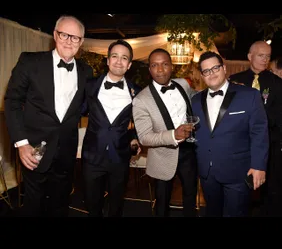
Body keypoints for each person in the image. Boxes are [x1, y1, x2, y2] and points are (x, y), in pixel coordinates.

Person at [4, 15, 93, 217]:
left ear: (81, 41)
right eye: (64, 35)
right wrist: (21, 143)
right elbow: (12, 102)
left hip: (66, 152)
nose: (69, 41)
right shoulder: (30, 61)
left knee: (60, 204)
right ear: (55, 35)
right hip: (35, 148)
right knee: (33, 205)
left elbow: (91, 106)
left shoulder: (86, 71)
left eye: (75, 38)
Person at [191, 51, 269, 217]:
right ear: (202, 75)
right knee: (212, 212)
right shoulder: (195, 100)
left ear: (224, 68)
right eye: (206, 71)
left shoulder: (249, 96)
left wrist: (259, 166)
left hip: (238, 171)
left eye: (215, 68)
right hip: (207, 172)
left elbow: (259, 132)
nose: (211, 73)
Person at [132, 48, 198, 217]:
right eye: (154, 65)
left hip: (189, 152)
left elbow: (197, 97)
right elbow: (144, 137)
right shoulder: (141, 99)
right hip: (162, 155)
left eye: (164, 64)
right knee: (162, 203)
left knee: (191, 196)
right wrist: (173, 135)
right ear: (149, 69)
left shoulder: (183, 84)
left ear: (172, 66)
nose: (160, 69)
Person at [81, 39, 142, 217]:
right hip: (92, 156)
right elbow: (77, 111)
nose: (118, 61)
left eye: (124, 58)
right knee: (92, 204)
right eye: (114, 56)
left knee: (116, 205)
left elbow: (138, 119)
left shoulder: (136, 91)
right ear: (107, 60)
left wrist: (135, 136)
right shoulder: (90, 86)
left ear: (129, 65)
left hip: (120, 157)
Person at [229, 41, 282, 216]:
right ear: (250, 57)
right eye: (261, 55)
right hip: (240, 146)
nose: (265, 59)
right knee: (240, 190)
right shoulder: (235, 82)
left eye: (268, 56)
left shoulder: (276, 83)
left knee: (270, 191)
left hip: (269, 145)